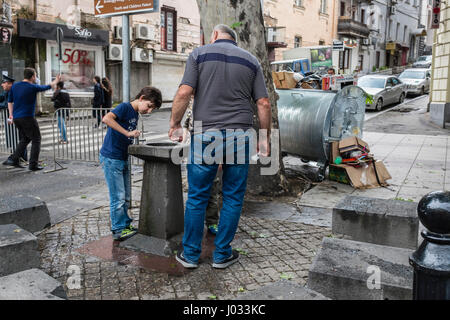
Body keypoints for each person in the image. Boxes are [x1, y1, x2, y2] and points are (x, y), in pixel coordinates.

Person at [169, 24, 271, 269]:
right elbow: (264, 103)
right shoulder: (251, 60)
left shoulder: (199, 54)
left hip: (206, 133)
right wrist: (265, 137)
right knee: (233, 196)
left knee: (197, 196)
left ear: (214, 35)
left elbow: (184, 92)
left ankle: (191, 255)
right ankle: (222, 254)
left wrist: (175, 123)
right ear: (234, 39)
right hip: (240, 135)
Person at [100, 86, 162, 242]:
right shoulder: (125, 107)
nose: (148, 111)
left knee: (126, 196)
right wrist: (127, 133)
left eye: (152, 109)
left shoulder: (135, 112)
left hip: (122, 157)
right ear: (141, 98)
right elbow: (106, 118)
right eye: (149, 106)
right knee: (118, 197)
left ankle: (125, 224)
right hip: (112, 158)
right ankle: (118, 229)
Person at [3, 68, 59, 170]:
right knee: (36, 139)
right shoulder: (32, 87)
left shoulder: (15, 86)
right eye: (35, 75)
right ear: (32, 76)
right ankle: (33, 164)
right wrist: (55, 81)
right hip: (27, 117)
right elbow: (46, 87)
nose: (36, 77)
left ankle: (14, 159)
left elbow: (9, 101)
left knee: (25, 138)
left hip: (16, 118)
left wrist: (11, 115)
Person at [183, 103, 220, 236]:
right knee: (195, 191)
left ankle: (212, 222)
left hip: (211, 149)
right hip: (194, 151)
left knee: (212, 188)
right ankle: (194, 227)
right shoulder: (191, 107)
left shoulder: (213, 105)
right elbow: (186, 127)